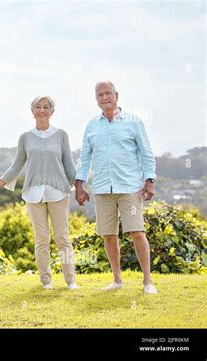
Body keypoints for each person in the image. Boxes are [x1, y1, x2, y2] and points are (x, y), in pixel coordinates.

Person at [75, 81, 158, 294]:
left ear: (116, 95)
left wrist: (149, 180)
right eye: (100, 95)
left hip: (130, 188)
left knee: (137, 232)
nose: (104, 97)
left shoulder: (133, 121)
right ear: (96, 100)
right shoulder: (92, 125)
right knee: (108, 235)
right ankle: (117, 280)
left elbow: (146, 153)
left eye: (108, 93)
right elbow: (84, 158)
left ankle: (147, 281)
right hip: (102, 189)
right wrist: (79, 183)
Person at [0, 96, 79, 290]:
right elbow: (16, 166)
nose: (42, 110)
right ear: (32, 111)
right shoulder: (25, 137)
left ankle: (70, 281)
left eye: (46, 107)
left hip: (58, 193)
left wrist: (80, 187)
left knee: (63, 238)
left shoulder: (61, 135)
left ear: (52, 111)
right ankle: (46, 281)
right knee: (41, 239)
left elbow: (69, 165)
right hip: (33, 194)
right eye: (37, 107)